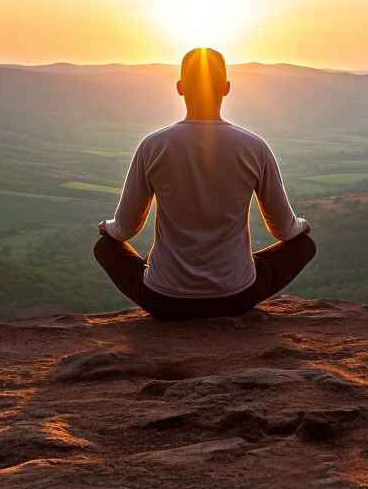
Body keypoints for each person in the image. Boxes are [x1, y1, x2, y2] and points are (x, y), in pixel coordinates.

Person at [94, 47, 315, 320]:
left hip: (164, 300)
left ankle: (168, 277)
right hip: (236, 296)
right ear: (226, 88)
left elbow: (125, 229)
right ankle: (231, 277)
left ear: (180, 88)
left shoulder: (153, 145)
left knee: (104, 246)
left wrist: (107, 227)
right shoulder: (255, 147)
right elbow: (283, 231)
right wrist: (302, 225)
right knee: (304, 245)